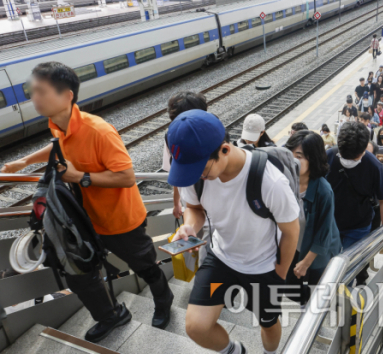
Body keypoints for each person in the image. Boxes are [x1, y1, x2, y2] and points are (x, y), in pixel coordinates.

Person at [0, 62, 173, 342]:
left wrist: (80, 176)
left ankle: (164, 301)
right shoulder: (58, 124)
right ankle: (112, 315)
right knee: (80, 275)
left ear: (66, 95)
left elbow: (127, 177)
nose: (34, 98)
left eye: (41, 91)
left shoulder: (99, 131)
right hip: (83, 222)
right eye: (33, 92)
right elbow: (58, 145)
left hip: (120, 222)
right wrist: (25, 161)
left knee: (146, 267)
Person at [169, 110, 300, 354]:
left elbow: (291, 231)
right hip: (222, 260)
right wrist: (190, 227)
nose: (196, 176)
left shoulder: (269, 181)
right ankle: (234, 351)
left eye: (201, 168)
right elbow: (195, 209)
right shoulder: (196, 175)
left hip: (263, 268)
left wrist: (279, 276)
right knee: (196, 326)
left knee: (268, 324)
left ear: (225, 150)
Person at [326, 122, 383, 285]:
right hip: (329, 224)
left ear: (364, 150)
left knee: (347, 268)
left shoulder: (374, 166)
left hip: (358, 227)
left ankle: (341, 300)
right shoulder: (328, 157)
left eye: (354, 157)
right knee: (327, 267)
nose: (349, 160)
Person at [283, 131, 341, 305]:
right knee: (294, 291)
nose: (293, 161)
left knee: (316, 294)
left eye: (299, 156)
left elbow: (323, 235)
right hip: (295, 246)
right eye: (291, 155)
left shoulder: (323, 191)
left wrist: (306, 263)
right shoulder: (284, 181)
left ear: (313, 159)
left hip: (318, 254)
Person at [163, 91, 209, 219]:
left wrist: (176, 202)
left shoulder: (214, 134)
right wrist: (176, 202)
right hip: (192, 208)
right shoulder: (172, 137)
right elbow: (175, 169)